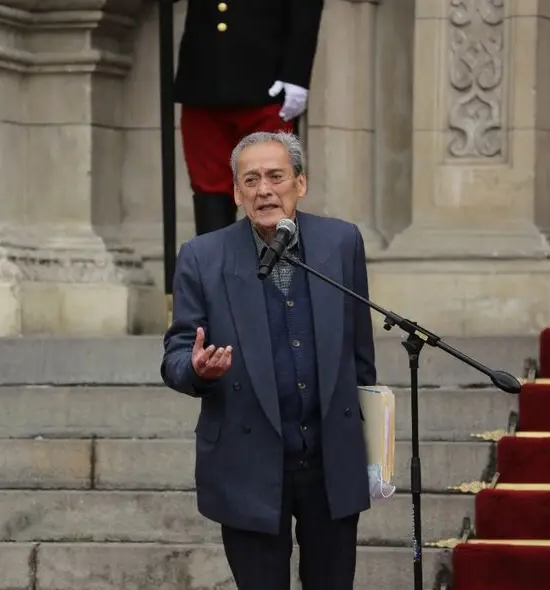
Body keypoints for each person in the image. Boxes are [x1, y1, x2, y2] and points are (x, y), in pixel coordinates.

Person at [160, 131, 377, 590]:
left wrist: (369, 445)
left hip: (329, 462)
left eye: (276, 177)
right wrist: (196, 369)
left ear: (300, 183)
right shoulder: (202, 257)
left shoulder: (341, 243)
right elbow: (176, 354)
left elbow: (360, 356)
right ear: (236, 192)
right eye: (251, 180)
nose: (264, 190)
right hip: (248, 462)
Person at [173, 0, 325, 235]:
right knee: (209, 190)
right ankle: (216, 270)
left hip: (266, 83)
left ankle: (274, 271)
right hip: (203, 80)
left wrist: (297, 73)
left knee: (270, 187)